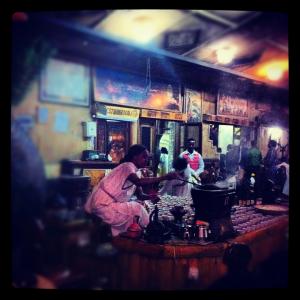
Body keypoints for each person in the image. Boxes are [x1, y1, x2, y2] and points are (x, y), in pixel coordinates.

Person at [84, 144, 180, 237]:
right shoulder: (127, 166)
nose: (146, 160)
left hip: (108, 204)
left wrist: (150, 197)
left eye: (147, 158)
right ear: (134, 157)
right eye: (144, 157)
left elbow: (140, 195)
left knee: (138, 208)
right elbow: (138, 182)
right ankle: (151, 231)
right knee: (137, 208)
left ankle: (146, 231)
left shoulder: (136, 172)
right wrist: (165, 177)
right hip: (102, 204)